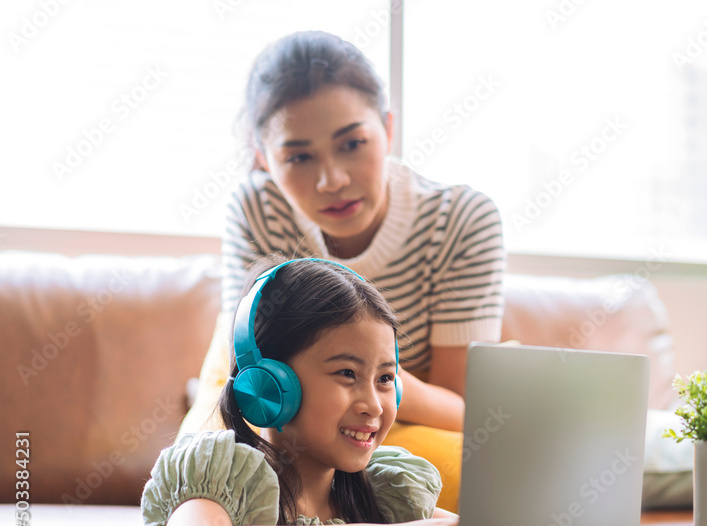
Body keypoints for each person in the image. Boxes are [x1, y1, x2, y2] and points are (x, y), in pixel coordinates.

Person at [180, 30, 505, 453]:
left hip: (403, 418)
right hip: (288, 412)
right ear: (264, 159)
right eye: (299, 157)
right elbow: (256, 381)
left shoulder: (461, 219)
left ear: (388, 128)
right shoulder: (258, 209)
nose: (332, 180)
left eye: (352, 144)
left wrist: (368, 382)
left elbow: (459, 409)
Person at [142, 258, 459, 526]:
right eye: (347, 373)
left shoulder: (383, 496)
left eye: (384, 379)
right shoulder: (222, 480)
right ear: (270, 386)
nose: (373, 405)